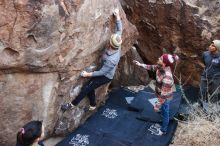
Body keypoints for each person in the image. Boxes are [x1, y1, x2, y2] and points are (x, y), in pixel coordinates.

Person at [61, 8, 123, 111]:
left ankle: (71, 104)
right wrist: (117, 16)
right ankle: (93, 105)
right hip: (104, 69)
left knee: (86, 87)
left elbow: (102, 72)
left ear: (111, 43)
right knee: (90, 87)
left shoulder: (112, 59)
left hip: (106, 76)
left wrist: (87, 74)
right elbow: (120, 29)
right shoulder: (117, 42)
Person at [133, 54, 179, 135]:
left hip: (165, 97)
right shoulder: (160, 66)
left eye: (160, 58)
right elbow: (152, 67)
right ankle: (161, 110)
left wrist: (157, 106)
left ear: (164, 63)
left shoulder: (167, 77)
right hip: (160, 92)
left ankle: (163, 130)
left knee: (165, 112)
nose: (158, 58)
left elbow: (163, 95)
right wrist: (140, 64)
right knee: (162, 108)